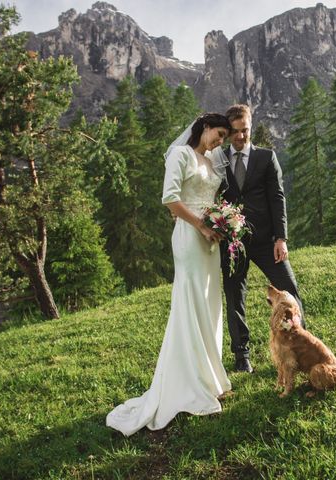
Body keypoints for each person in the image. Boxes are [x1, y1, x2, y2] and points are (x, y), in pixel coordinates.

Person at [106, 113, 233, 436]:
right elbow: (170, 199)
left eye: (224, 139)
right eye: (218, 135)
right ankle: (186, 382)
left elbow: (211, 197)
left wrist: (221, 221)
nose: (220, 142)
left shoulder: (209, 160)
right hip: (190, 237)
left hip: (210, 239)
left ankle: (209, 377)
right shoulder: (180, 155)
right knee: (190, 303)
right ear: (205, 127)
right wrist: (202, 225)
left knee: (209, 304)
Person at [221, 104, 304, 373]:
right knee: (235, 297)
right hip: (234, 244)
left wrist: (281, 238)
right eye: (234, 132)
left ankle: (300, 344)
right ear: (228, 132)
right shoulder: (219, 161)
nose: (240, 137)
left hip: (268, 241)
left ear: (250, 126)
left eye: (244, 130)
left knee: (289, 290)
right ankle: (241, 356)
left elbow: (277, 198)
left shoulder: (267, 157)